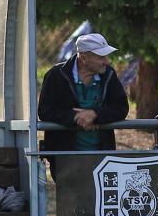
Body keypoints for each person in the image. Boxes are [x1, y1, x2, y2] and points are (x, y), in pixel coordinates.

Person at [38, 32, 128, 176]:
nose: (107, 61)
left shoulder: (109, 74)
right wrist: (75, 117)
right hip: (65, 158)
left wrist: (95, 114)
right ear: (84, 58)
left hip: (102, 157)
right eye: (101, 57)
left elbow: (121, 108)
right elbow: (44, 110)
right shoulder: (56, 75)